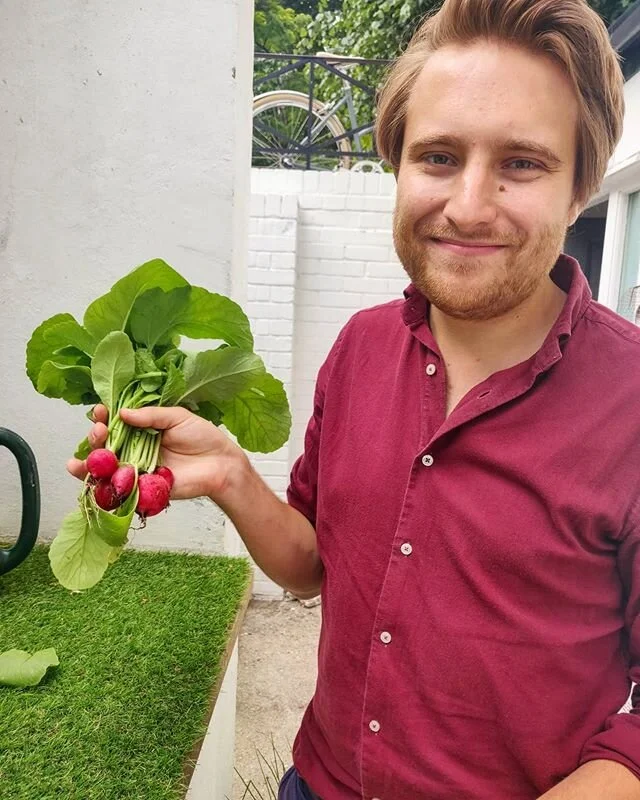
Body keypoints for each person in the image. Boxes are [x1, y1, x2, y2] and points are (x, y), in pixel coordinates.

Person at [69, 0, 640, 797]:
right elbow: (311, 569)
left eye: (521, 164)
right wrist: (231, 473)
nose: (469, 204)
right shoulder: (362, 347)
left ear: (581, 186)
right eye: (438, 157)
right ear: (395, 167)